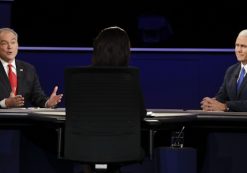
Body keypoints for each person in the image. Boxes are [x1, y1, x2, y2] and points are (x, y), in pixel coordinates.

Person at [0, 27, 63, 108]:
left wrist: (48, 103)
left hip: (23, 119)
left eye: (13, 42)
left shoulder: (28, 69)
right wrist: (5, 103)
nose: (10, 47)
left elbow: (37, 97)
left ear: (17, 45)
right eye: (4, 43)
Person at [201, 29, 247, 112]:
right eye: (237, 45)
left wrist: (227, 106)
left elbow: (224, 106)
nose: (238, 50)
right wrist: (211, 104)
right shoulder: (231, 71)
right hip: (230, 122)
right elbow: (221, 97)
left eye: (243, 46)